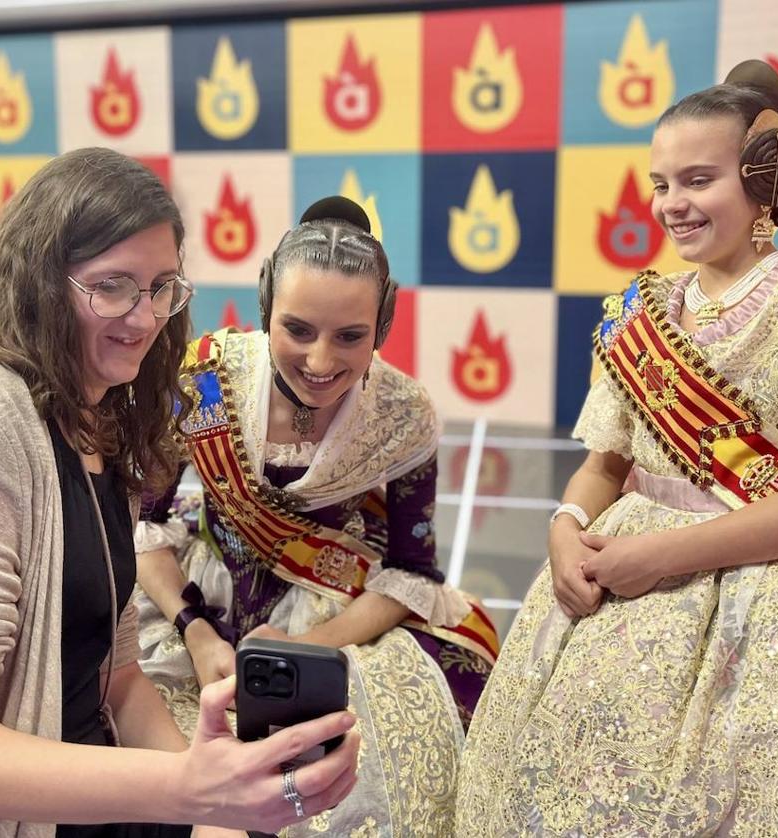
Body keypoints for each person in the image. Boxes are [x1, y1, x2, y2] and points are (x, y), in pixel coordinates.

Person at [0, 148, 359, 838]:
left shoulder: (100, 423)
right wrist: (191, 789)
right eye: (112, 286)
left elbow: (117, 680)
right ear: (42, 283)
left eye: (162, 287)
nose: (145, 319)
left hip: (70, 795)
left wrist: (218, 814)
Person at [457, 60, 778, 835]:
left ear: (763, 180)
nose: (673, 204)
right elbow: (608, 462)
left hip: (776, 591)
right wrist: (564, 527)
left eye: (698, 180)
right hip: (620, 584)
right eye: (661, 183)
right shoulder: (639, 309)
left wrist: (663, 557)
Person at [132, 196, 500, 836]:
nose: (322, 361)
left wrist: (305, 650)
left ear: (382, 323)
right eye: (297, 330)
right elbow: (146, 531)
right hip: (199, 598)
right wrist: (193, 628)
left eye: (350, 336)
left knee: (373, 766)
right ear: (265, 306)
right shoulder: (207, 380)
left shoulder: (403, 412)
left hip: (334, 607)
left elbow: (411, 573)